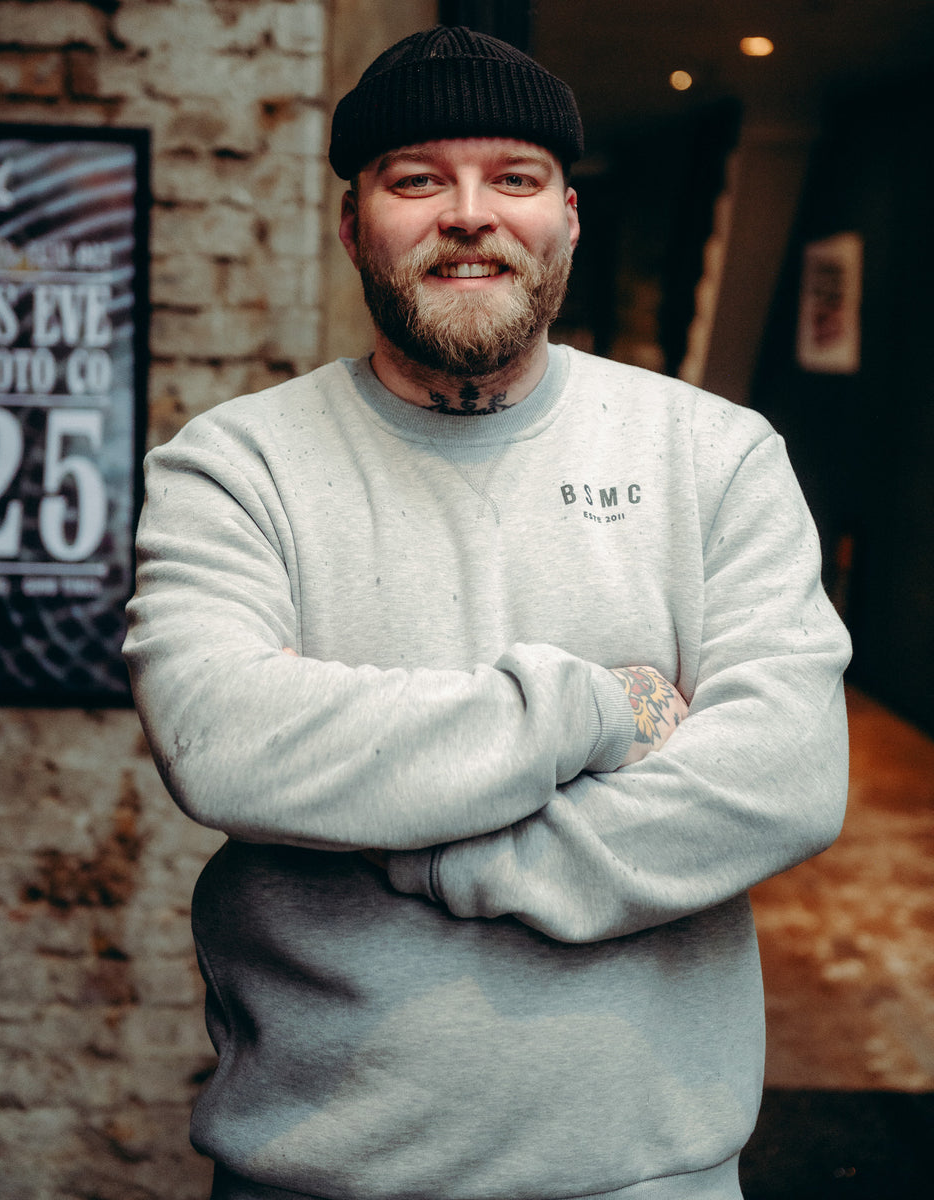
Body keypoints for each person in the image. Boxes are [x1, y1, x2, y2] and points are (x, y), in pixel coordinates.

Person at [124, 25, 852, 1200]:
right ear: (354, 222)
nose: (470, 213)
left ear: (567, 215)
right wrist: (592, 710)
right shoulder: (234, 467)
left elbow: (785, 777)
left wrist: (423, 846)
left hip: (650, 1176)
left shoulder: (714, 456)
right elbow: (222, 740)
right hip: (316, 1174)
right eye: (418, 179)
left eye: (512, 178)